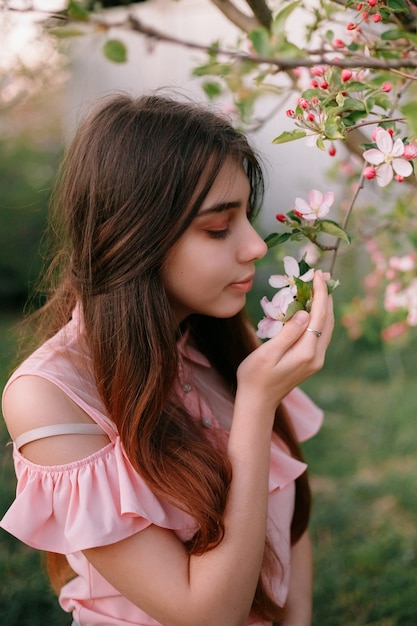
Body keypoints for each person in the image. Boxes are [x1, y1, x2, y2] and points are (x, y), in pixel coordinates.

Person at [0, 93, 334, 626]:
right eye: (218, 228)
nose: (253, 246)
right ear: (131, 238)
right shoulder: (49, 396)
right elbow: (206, 615)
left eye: (246, 216)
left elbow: (286, 521)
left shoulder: (212, 334)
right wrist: (254, 407)